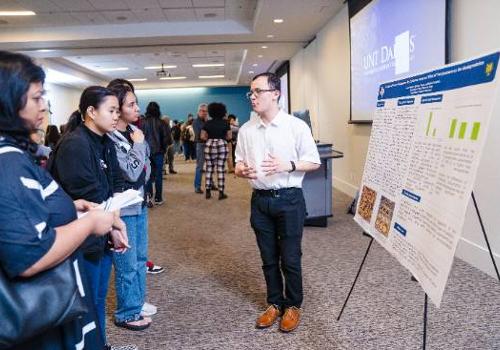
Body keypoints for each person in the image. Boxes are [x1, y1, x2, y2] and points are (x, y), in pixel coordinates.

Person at [0, 50, 120, 349]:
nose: (45, 106)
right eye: (37, 97)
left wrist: (72, 208)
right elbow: (29, 256)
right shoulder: (8, 162)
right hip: (37, 313)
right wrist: (91, 222)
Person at [235, 72, 320, 333]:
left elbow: (314, 161)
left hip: (289, 200)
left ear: (275, 94)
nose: (252, 97)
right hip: (260, 202)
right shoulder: (247, 130)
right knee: (268, 257)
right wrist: (240, 170)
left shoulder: (296, 127)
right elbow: (237, 162)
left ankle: (293, 306)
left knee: (290, 258)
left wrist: (289, 165)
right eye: (251, 92)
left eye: (258, 91)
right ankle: (274, 303)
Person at [49, 86, 132, 347]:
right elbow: (87, 193)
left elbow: (116, 182)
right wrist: (113, 223)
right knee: (84, 304)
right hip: (80, 236)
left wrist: (114, 222)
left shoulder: (105, 140)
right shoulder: (75, 144)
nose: (116, 116)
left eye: (118, 111)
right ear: (91, 112)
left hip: (102, 229)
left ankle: (100, 344)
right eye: (111, 110)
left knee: (96, 298)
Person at [107, 80, 157, 330]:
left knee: (140, 258)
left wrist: (139, 147)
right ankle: (126, 312)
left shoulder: (131, 133)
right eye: (131, 104)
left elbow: (145, 172)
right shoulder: (112, 138)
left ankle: (135, 303)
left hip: (138, 202)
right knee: (126, 264)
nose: (137, 108)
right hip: (123, 208)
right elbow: (132, 173)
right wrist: (139, 145)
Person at [200, 102, 231, 200]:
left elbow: (202, 136)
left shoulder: (207, 123)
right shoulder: (226, 123)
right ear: (223, 112)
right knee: (220, 168)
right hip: (222, 144)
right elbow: (229, 136)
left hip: (209, 144)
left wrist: (209, 138)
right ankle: (221, 193)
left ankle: (208, 192)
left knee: (209, 168)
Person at [142, 101, 168, 206]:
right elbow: (167, 139)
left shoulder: (142, 122)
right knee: (158, 176)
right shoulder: (162, 123)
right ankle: (158, 198)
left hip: (145, 152)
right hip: (159, 152)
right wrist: (163, 149)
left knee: (147, 175)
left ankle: (148, 197)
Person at [192, 103, 208, 193]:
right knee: (200, 167)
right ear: (198, 111)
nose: (204, 113)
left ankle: (210, 184)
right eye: (202, 111)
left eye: (205, 111)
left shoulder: (207, 121)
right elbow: (201, 135)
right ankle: (197, 186)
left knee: (210, 166)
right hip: (201, 145)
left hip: (209, 145)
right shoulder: (196, 122)